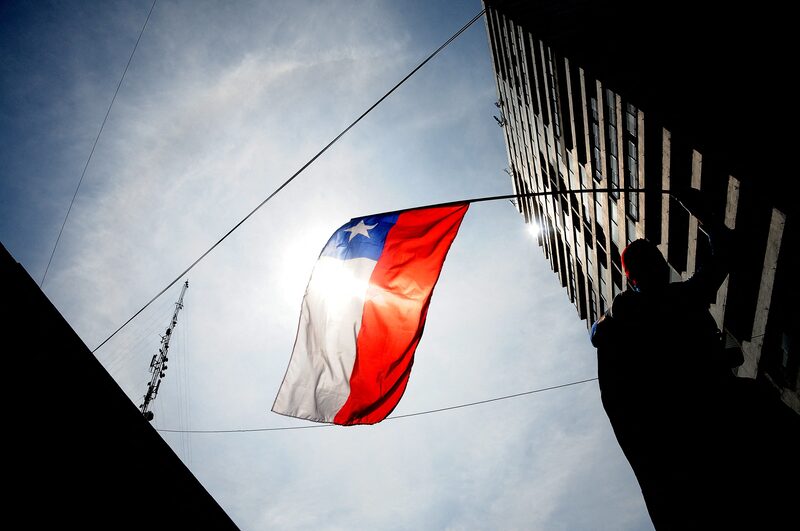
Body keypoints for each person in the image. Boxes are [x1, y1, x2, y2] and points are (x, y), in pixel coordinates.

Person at [590, 189, 797, 529]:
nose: (659, 266)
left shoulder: (660, 304)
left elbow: (724, 255)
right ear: (635, 276)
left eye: (656, 259)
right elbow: (724, 255)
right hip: (703, 420)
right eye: (650, 262)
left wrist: (706, 217)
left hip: (710, 417)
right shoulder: (647, 308)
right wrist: (707, 218)